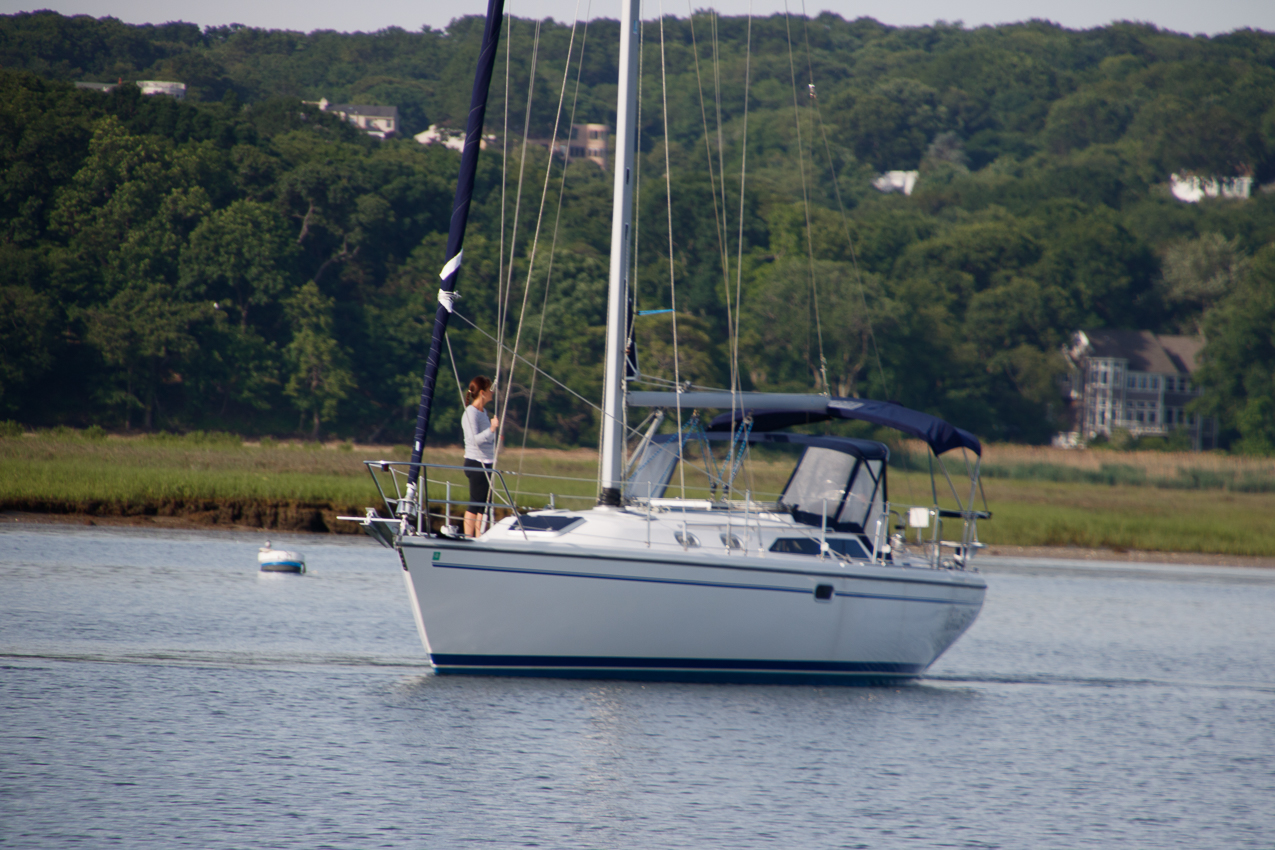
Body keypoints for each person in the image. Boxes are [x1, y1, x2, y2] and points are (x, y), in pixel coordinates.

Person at [461, 375, 500, 537]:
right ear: (482, 393)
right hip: (476, 463)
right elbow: (473, 439)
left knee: (483, 506)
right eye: (490, 389)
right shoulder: (471, 413)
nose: (493, 392)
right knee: (475, 504)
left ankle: (480, 537)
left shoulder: (483, 413)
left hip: (486, 462)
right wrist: (491, 429)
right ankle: (469, 538)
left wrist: (491, 430)